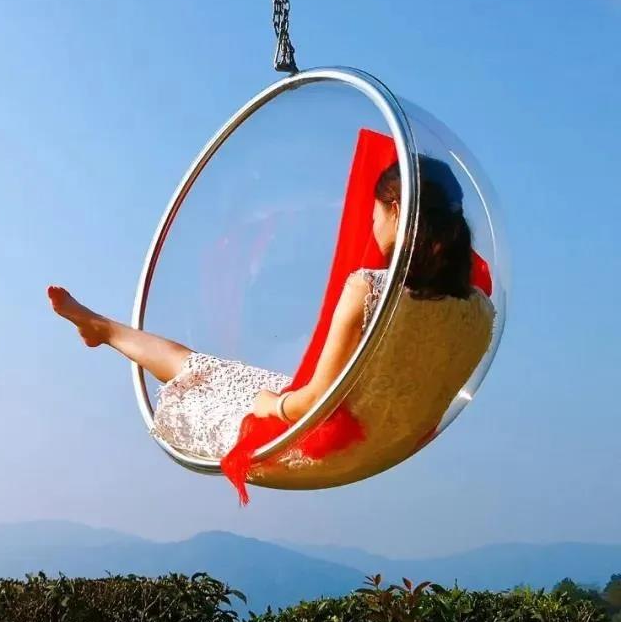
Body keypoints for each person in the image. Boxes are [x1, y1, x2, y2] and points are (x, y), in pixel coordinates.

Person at [47, 157, 495, 472]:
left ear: (396, 211)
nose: (372, 225)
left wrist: (270, 405)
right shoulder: (480, 311)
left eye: (375, 214)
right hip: (383, 446)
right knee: (214, 371)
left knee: (195, 375)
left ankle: (103, 329)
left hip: (318, 443)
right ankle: (103, 328)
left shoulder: (369, 289)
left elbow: (315, 405)